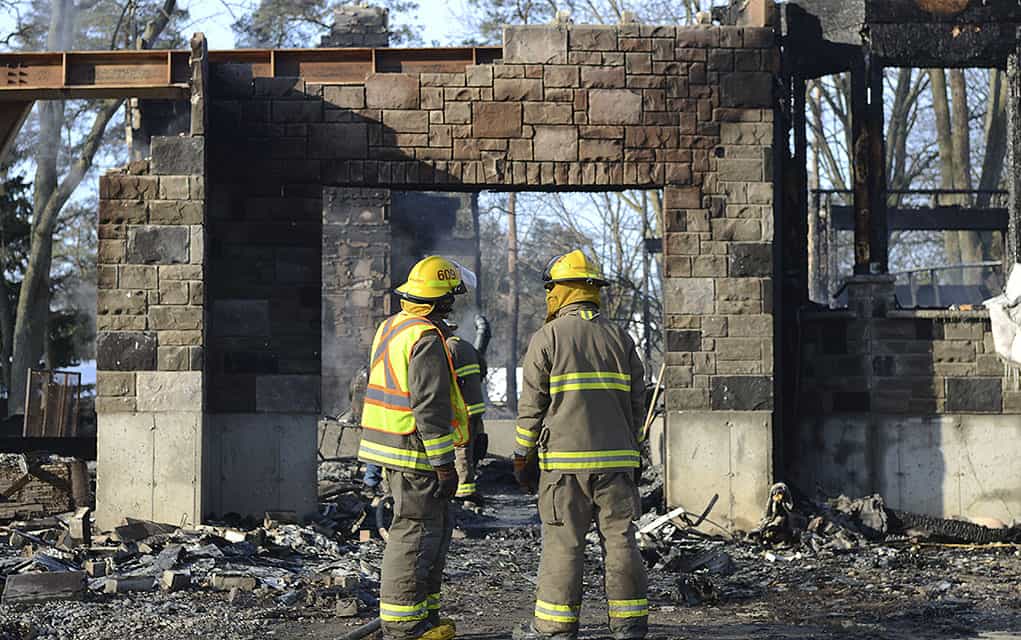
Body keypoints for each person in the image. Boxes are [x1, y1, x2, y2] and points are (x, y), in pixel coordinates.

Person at [512, 250, 649, 640]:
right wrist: (633, 449)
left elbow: (531, 407)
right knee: (621, 541)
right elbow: (637, 403)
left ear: (562, 290)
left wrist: (522, 457)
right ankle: (629, 626)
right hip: (617, 463)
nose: (548, 294)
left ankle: (555, 628)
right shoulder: (620, 337)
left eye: (550, 287)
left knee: (563, 543)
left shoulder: (549, 337)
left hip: (565, 467)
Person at [358, 256, 473, 640]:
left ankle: (424, 615)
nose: (452, 307)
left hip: (390, 442)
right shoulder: (425, 337)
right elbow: (429, 405)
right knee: (414, 532)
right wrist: (444, 463)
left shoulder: (392, 326)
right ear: (440, 300)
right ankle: (405, 624)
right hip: (413, 450)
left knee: (431, 530)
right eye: (450, 299)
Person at [438, 319, 487, 503]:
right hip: (475, 405)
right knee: (471, 444)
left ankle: (463, 489)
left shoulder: (446, 348)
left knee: (461, 446)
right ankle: (466, 485)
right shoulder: (466, 346)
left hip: (461, 408)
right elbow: (483, 369)